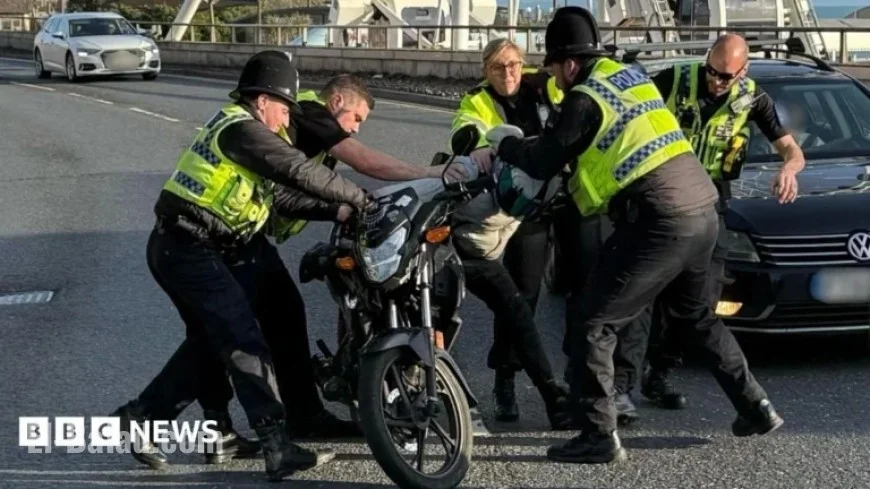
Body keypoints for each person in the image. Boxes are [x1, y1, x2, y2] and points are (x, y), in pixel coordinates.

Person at [488, 6, 784, 463]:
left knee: (594, 321)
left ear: (567, 63)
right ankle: (756, 406)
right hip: (704, 208)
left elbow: (544, 157)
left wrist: (504, 143)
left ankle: (598, 435)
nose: (553, 77)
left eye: (551, 67)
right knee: (696, 317)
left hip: (659, 218)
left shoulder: (584, 97)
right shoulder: (632, 77)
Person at [110, 50, 372, 480]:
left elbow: (279, 196)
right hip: (188, 246)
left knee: (256, 321)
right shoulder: (242, 129)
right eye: (285, 109)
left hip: (215, 244)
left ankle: (159, 421)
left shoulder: (251, 131)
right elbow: (297, 171)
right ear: (264, 99)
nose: (288, 120)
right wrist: (361, 197)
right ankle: (274, 445)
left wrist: (338, 212)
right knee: (239, 336)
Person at [449, 37, 645, 426]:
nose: (508, 73)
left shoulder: (548, 85)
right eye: (498, 67)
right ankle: (505, 379)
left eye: (514, 65)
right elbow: (465, 132)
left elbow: (585, 98)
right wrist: (478, 149)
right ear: (485, 70)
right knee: (521, 298)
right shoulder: (477, 100)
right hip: (526, 211)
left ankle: (590, 384)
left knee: (588, 291)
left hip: (572, 198)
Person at [640, 33, 805, 411]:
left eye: (725, 76)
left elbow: (791, 149)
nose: (716, 81)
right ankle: (624, 385)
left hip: (713, 200)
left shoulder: (752, 97)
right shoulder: (673, 80)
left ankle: (660, 372)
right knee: (647, 291)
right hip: (665, 195)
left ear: (742, 71)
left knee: (701, 300)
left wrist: (789, 170)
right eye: (711, 71)